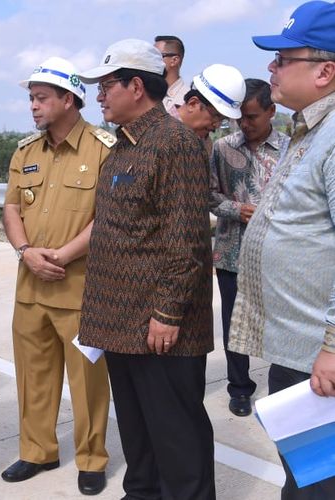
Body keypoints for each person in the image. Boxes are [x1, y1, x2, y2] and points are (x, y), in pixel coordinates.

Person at [77, 39, 216, 500]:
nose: (98, 96)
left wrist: (168, 313)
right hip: (123, 323)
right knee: (140, 436)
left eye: (106, 86)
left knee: (178, 441)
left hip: (161, 329)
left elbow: (188, 242)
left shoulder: (174, 144)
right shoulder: (125, 145)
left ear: (136, 86)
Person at [229, 1, 335, 497]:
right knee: (304, 476)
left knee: (319, 483)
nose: (270, 68)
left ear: (325, 70)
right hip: (299, 350)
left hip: (321, 359)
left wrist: (333, 349)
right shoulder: (308, 129)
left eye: (283, 58)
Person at [1, 56, 112, 496]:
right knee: (33, 377)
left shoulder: (105, 148)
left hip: (81, 289)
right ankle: (37, 451)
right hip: (30, 288)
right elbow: (11, 207)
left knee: (87, 382)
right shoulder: (25, 152)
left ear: (69, 99)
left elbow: (108, 217)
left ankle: (91, 459)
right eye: (31, 98)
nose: (34, 106)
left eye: (42, 97)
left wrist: (62, 255)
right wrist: (25, 252)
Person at [210, 79, 289, 418]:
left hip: (278, 254)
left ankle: (284, 387)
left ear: (272, 112)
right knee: (233, 324)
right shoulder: (222, 147)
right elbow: (208, 194)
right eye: (239, 117)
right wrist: (235, 210)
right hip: (231, 253)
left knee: (282, 322)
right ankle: (240, 388)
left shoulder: (291, 148)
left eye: (252, 117)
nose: (244, 124)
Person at [175, 64, 246, 140]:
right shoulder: (162, 134)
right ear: (193, 104)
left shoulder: (204, 143)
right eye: (216, 116)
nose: (217, 125)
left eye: (223, 120)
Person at [154, 35, 190, 118]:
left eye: (156, 56)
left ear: (174, 60)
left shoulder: (187, 101)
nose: (151, 61)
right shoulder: (147, 95)